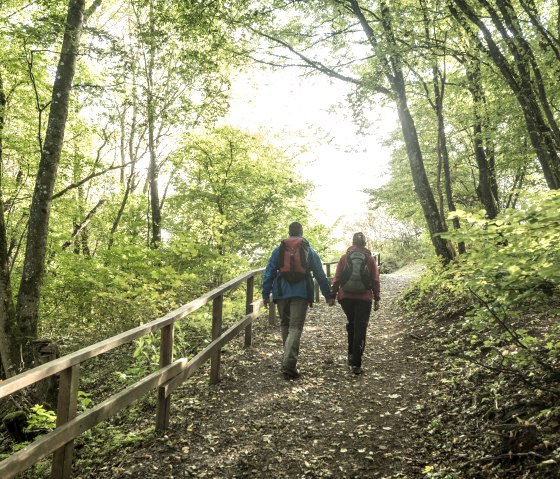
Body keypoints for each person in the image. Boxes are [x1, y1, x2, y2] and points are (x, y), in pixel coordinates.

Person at [262, 221, 334, 380]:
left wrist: (265, 294)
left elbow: (269, 272)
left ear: (289, 232)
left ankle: (287, 360)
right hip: (300, 293)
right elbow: (320, 275)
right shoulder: (309, 250)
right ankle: (288, 364)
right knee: (295, 327)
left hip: (281, 292)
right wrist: (328, 295)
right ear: (301, 232)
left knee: (285, 324)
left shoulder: (278, 250)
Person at [330, 232, 380, 375]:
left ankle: (351, 356)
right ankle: (356, 364)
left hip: (345, 298)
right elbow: (375, 279)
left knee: (352, 324)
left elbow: (337, 277)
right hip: (364, 298)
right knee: (360, 327)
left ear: (352, 242)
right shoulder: (369, 259)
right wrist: (377, 298)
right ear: (364, 243)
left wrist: (333, 295)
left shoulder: (344, 258)